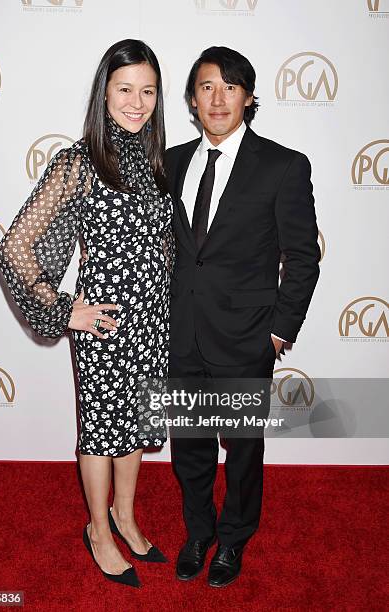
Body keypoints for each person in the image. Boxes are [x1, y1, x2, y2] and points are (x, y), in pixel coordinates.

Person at [0, 39, 174, 588]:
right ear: (104, 93)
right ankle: (98, 529)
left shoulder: (157, 163)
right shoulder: (78, 162)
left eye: (147, 91)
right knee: (101, 433)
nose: (136, 102)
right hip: (106, 322)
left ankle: (126, 516)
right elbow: (15, 248)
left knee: (135, 428)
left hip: (153, 324)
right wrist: (66, 309)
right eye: (125, 89)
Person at [165, 46, 320, 588]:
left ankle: (233, 539)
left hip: (246, 337)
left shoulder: (282, 165)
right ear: (191, 97)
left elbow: (302, 257)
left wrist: (279, 330)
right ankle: (198, 531)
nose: (218, 98)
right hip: (179, 334)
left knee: (244, 451)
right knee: (190, 447)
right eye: (207, 86)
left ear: (249, 98)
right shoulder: (171, 162)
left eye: (231, 87)